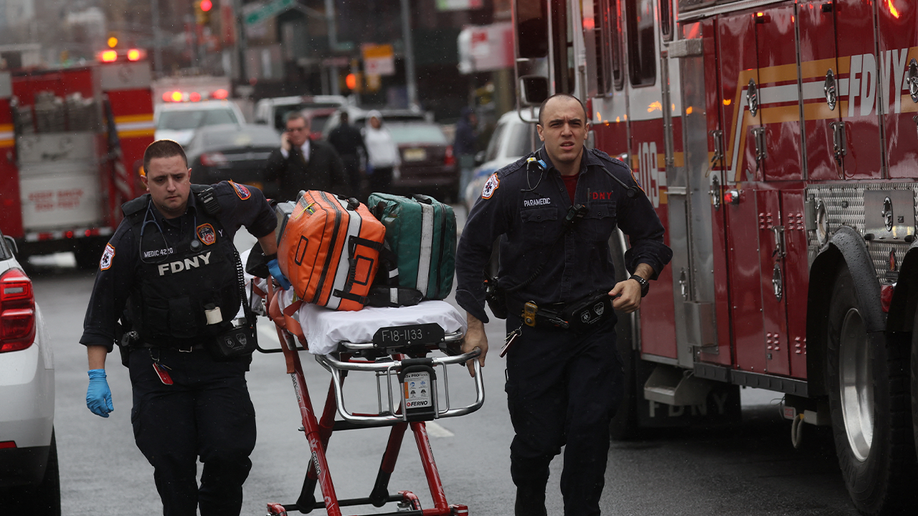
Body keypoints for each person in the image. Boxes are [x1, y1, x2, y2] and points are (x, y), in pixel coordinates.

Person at [455, 94, 672, 515]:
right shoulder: (511, 184)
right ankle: (530, 503)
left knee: (590, 434)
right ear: (541, 132)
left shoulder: (613, 177)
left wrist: (638, 280)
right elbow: (472, 251)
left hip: (593, 333)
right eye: (556, 125)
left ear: (587, 128)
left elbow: (651, 238)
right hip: (534, 335)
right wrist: (475, 324)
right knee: (537, 443)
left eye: (575, 123)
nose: (567, 132)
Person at [80, 139, 290, 516]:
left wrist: (273, 257)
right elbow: (101, 312)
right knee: (173, 467)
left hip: (218, 358)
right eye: (161, 180)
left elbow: (260, 208)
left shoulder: (219, 202)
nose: (171, 186)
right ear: (146, 182)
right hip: (160, 366)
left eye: (178, 177)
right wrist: (97, 375)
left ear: (189, 175)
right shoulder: (129, 237)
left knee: (230, 453)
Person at [263, 111, 349, 201]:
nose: (295, 133)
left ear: (307, 129)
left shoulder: (325, 150)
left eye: (299, 129)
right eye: (291, 130)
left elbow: (341, 179)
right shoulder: (283, 153)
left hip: (322, 206)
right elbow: (268, 176)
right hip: (294, 207)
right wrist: (284, 151)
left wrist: (330, 200)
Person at [327, 111, 368, 198]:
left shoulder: (334, 132)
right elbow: (363, 148)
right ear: (348, 118)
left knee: (343, 184)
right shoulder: (354, 131)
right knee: (355, 185)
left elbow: (329, 149)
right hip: (353, 161)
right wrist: (364, 163)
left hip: (340, 161)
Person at [362, 110, 400, 194]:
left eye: (376, 120)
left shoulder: (386, 132)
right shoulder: (366, 133)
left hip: (387, 166)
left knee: (387, 189)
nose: (375, 122)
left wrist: (396, 162)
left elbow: (392, 148)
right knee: (377, 189)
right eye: (372, 120)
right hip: (375, 167)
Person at [453, 106, 479, 198]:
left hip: (462, 153)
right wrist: (475, 132)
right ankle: (465, 195)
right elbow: (470, 139)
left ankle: (463, 194)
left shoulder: (460, 125)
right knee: (467, 174)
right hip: (466, 154)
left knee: (465, 174)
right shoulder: (466, 126)